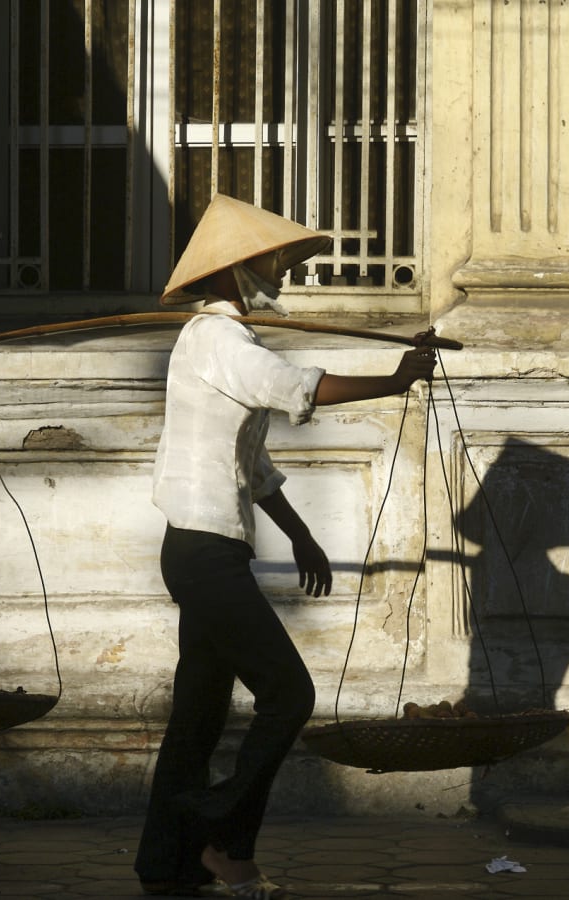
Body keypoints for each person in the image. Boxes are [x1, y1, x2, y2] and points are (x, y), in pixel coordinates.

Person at [135, 194, 437, 898]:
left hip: (208, 550)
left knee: (199, 713)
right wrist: (395, 380)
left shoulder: (220, 345)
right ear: (235, 272)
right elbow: (296, 388)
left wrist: (301, 535)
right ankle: (223, 834)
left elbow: (254, 466)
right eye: (268, 261)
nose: (279, 272)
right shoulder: (220, 342)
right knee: (289, 694)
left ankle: (166, 864)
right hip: (203, 554)